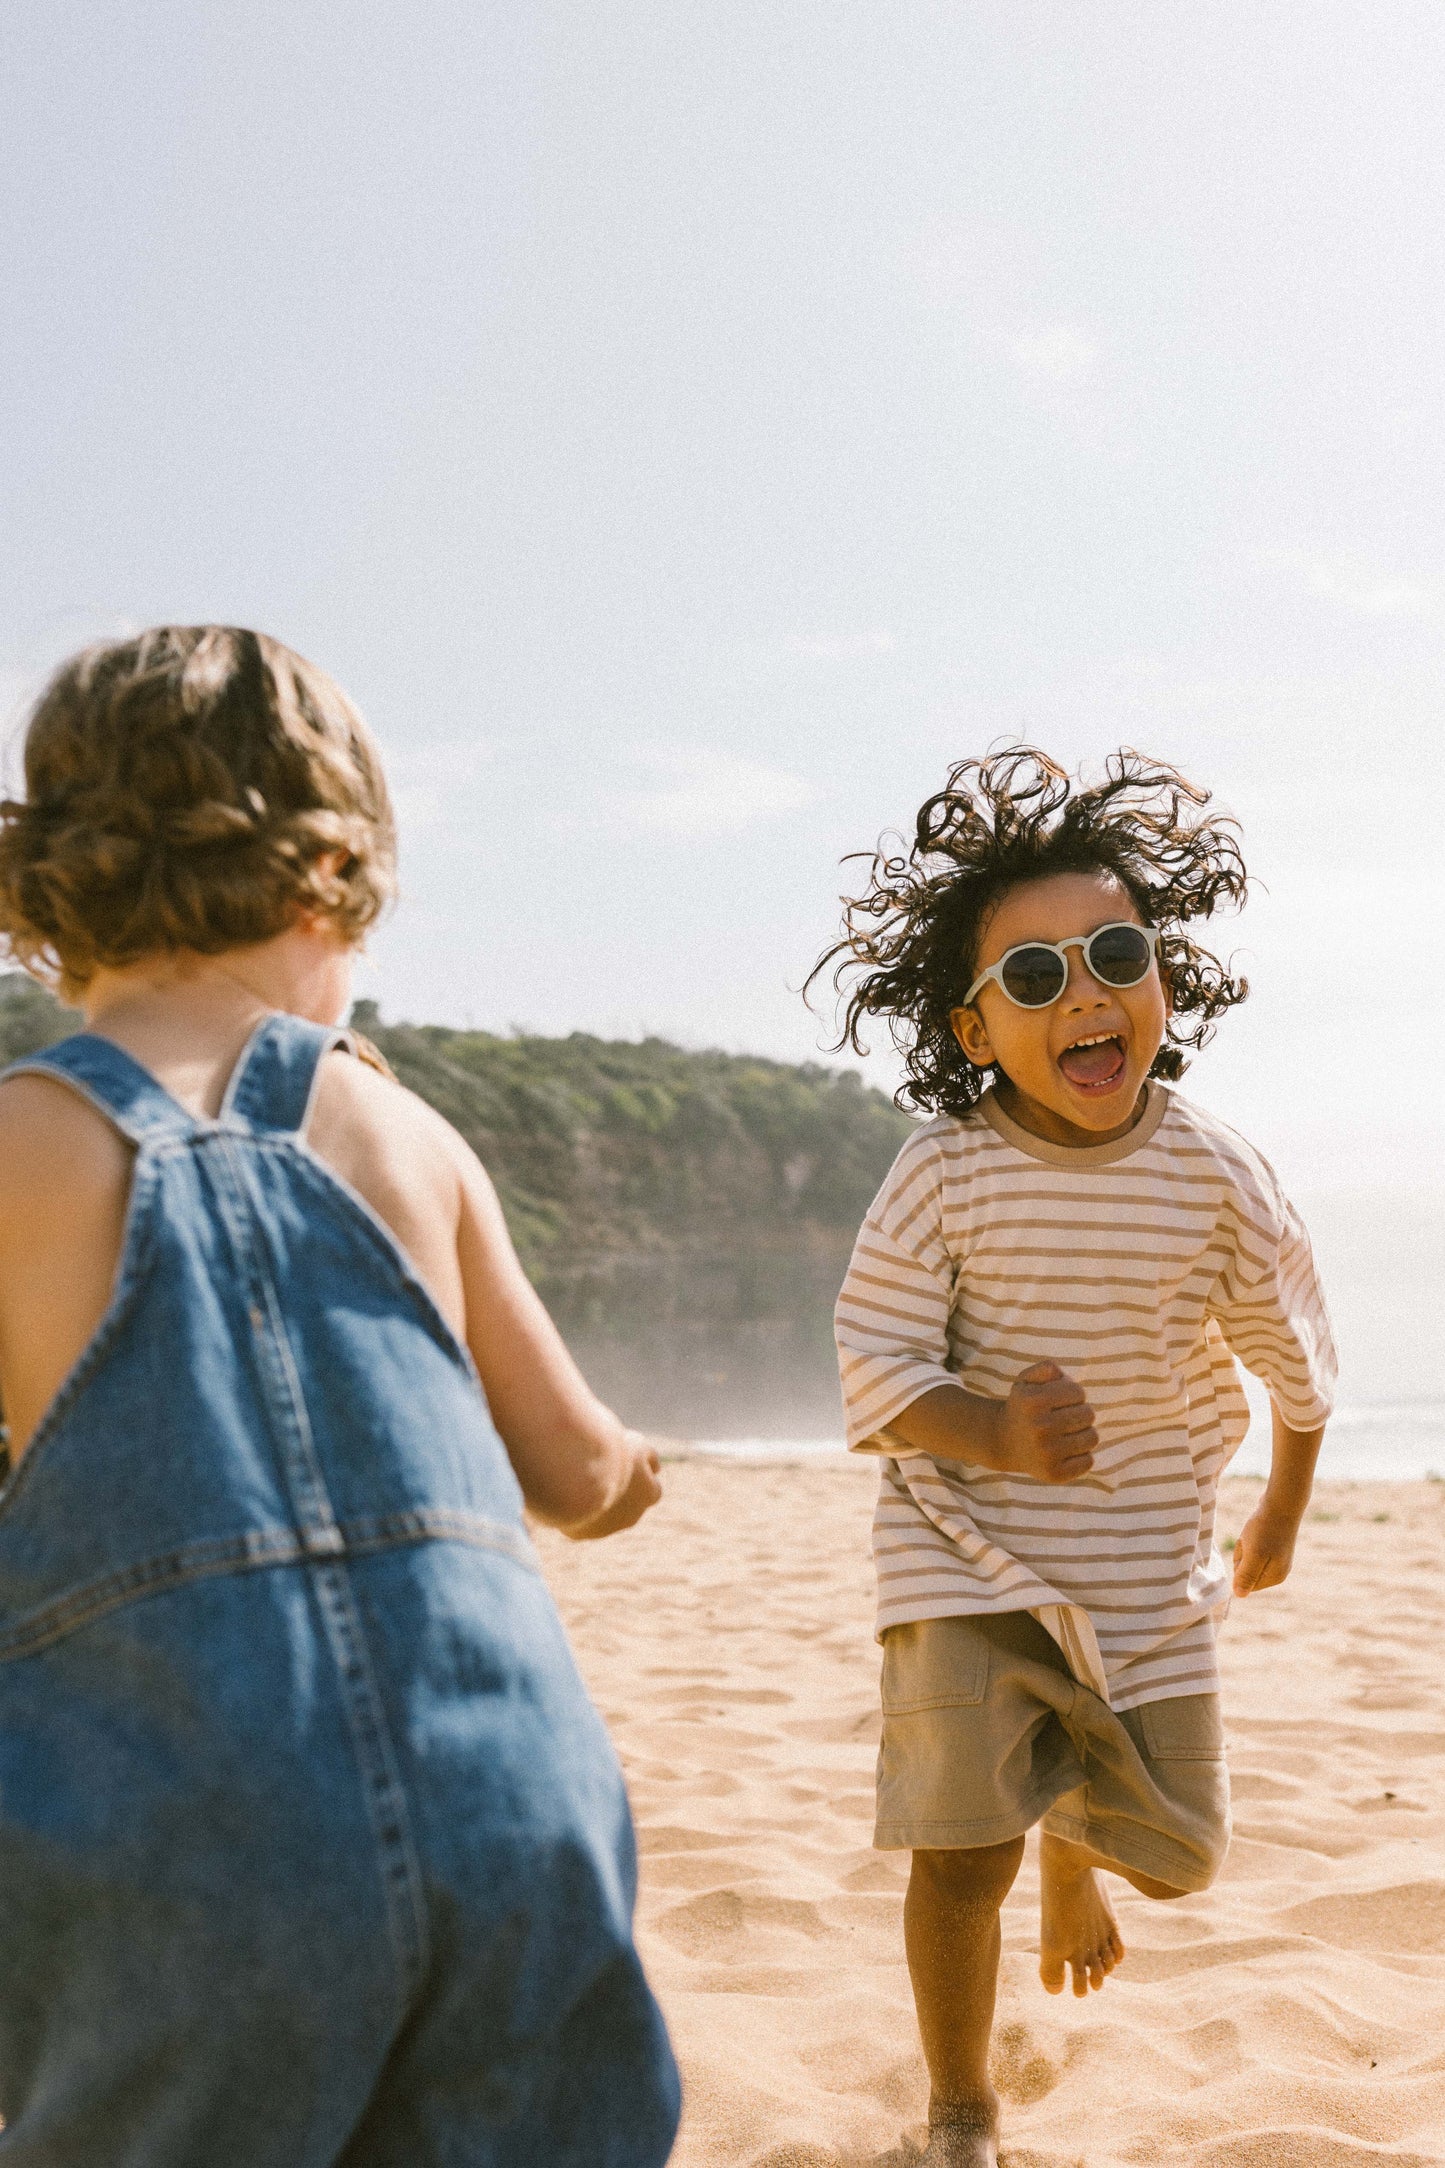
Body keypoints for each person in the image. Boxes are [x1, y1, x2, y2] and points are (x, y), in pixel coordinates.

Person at [0, 626, 681, 2167]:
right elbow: (575, 1473)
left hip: (178, 1844)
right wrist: (635, 1466)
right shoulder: (401, 1131)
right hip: (513, 1808)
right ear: (332, 879)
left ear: (55, 886)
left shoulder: (20, 1145)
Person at [816, 748, 1336, 2168]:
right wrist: (983, 1429)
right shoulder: (942, 1171)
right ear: (974, 1030)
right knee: (956, 1855)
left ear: (1162, 981)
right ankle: (959, 2111)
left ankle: (1076, 1846)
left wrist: (1279, 1513)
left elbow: (1296, 1361)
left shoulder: (1212, 1174)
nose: (1083, 994)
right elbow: (871, 1359)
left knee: (1180, 1852)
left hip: (1140, 1566)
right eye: (1032, 979)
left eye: (1113, 954)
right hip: (962, 1554)